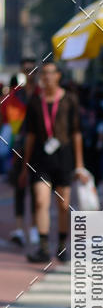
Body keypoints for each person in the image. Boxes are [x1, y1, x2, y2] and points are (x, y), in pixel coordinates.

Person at [20, 60, 85, 263]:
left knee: (63, 204)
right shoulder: (34, 102)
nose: (47, 77)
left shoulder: (70, 100)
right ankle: (43, 246)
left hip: (64, 157)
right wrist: (25, 166)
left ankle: (61, 245)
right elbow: (29, 135)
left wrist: (80, 164)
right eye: (44, 74)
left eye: (51, 73)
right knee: (40, 201)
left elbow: (76, 133)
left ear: (58, 76)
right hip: (40, 157)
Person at [5, 58, 39, 247]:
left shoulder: (40, 94)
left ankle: (34, 228)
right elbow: (6, 119)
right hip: (18, 148)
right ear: (21, 71)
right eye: (26, 69)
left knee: (36, 189)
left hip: (38, 149)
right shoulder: (14, 96)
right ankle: (19, 229)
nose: (29, 72)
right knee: (19, 186)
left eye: (32, 69)